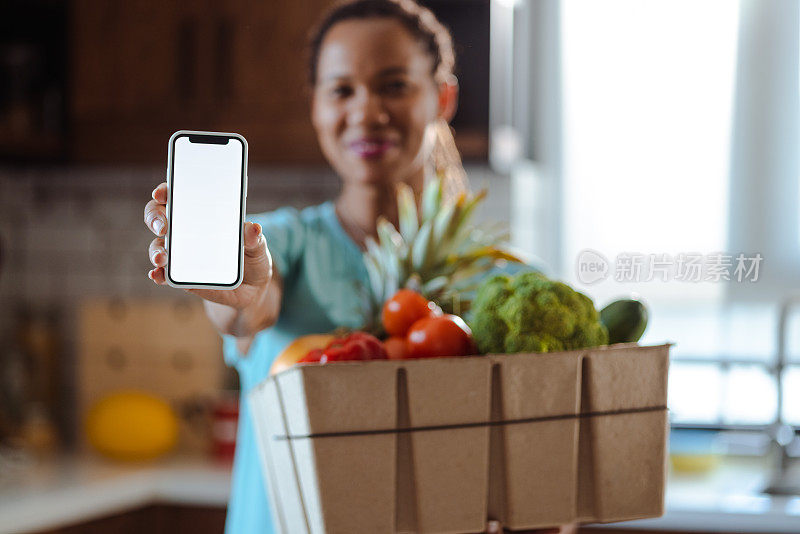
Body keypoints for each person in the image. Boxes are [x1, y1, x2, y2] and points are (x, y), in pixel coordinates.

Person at [144, 1, 572, 532]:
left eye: (394, 85)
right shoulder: (277, 243)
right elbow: (248, 308)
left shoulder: (506, 285)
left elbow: (552, 494)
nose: (367, 112)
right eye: (341, 90)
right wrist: (239, 289)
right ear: (316, 108)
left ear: (442, 97)